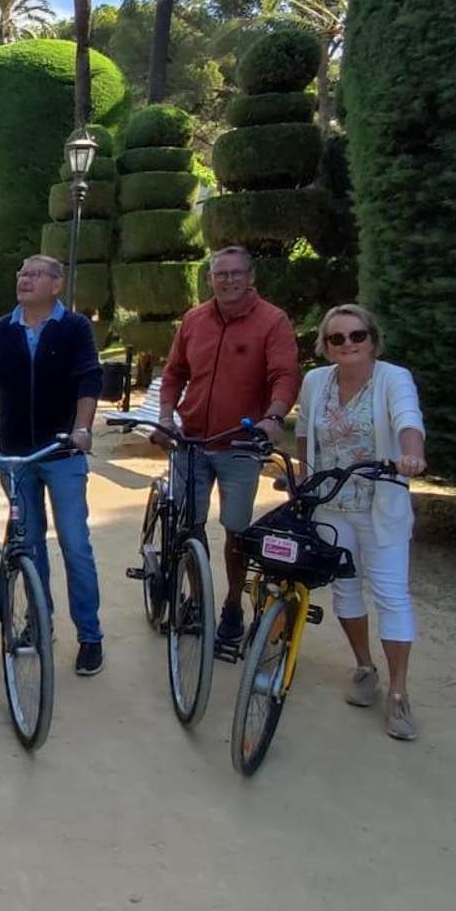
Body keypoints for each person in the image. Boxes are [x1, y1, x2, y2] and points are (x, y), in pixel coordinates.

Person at [153, 245, 302, 647]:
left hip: (239, 443)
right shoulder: (194, 319)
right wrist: (166, 418)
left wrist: (273, 416)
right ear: (210, 279)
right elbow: (174, 372)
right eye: (221, 274)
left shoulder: (272, 321)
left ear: (251, 277)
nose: (229, 280)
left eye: (237, 273)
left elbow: (285, 374)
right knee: (189, 526)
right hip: (191, 440)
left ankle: (233, 604)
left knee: (236, 531)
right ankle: (197, 601)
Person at [0, 255, 107, 676]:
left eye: (35, 274)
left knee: (75, 545)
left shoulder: (74, 327)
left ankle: (90, 635)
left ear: (56, 285)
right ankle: (38, 622)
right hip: (15, 457)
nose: (24, 279)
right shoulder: (2, 328)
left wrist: (82, 429)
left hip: (61, 454)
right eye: (21, 274)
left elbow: (90, 380)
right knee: (28, 545)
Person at [295, 303, 427, 740]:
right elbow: (304, 433)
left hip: (380, 506)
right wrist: (302, 476)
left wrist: (412, 455)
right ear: (326, 346)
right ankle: (364, 668)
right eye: (337, 338)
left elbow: (409, 421)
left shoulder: (393, 379)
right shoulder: (316, 381)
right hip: (331, 505)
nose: (348, 344)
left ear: (372, 339)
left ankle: (398, 695)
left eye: (357, 336)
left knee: (390, 594)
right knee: (345, 591)